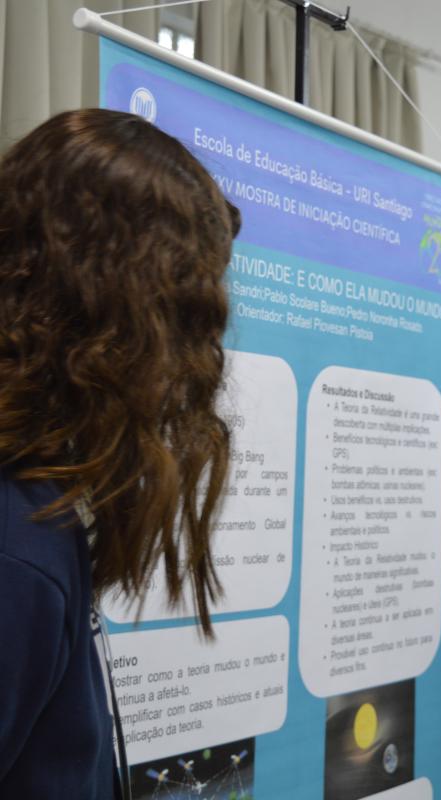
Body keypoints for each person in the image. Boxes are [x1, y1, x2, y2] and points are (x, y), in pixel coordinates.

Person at [0, 109, 240, 798]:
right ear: (119, 305)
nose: (195, 354)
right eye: (187, 310)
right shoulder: (15, 542)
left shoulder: (41, 486)